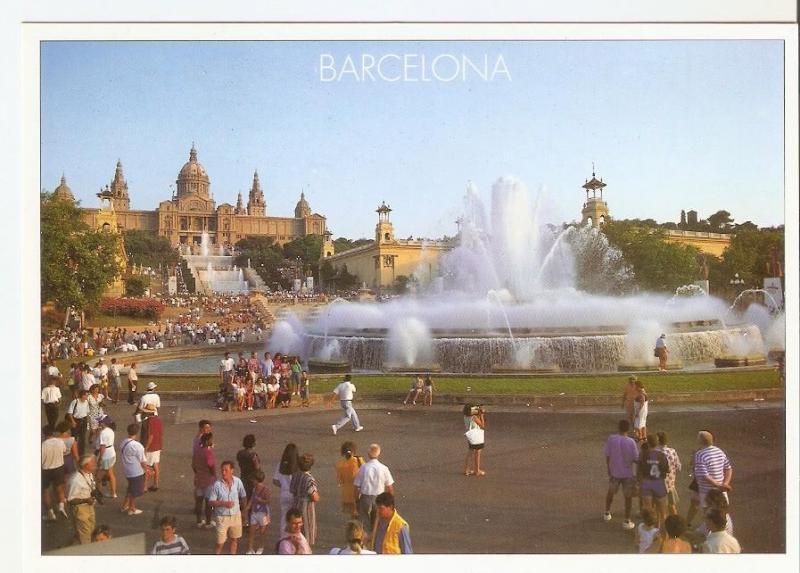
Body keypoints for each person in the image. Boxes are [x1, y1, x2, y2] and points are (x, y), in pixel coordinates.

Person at [603, 419, 640, 530]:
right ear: (628, 429)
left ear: (618, 427)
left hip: (614, 471)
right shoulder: (631, 442)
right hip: (627, 473)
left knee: (611, 492)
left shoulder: (611, 439)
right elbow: (636, 458)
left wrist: (608, 468)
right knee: (628, 497)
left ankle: (607, 512)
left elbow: (607, 455)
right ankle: (627, 519)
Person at [208, 460, 248, 555]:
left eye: (226, 470)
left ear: (232, 470)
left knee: (234, 539)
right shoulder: (217, 485)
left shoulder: (238, 482)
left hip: (235, 516)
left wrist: (244, 512)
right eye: (222, 470)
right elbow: (211, 502)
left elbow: (243, 496)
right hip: (222, 517)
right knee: (220, 543)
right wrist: (224, 503)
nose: (223, 472)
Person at [353, 443, 395, 534]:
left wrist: (357, 501)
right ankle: (374, 539)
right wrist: (390, 502)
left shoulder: (364, 467)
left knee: (364, 522)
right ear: (379, 453)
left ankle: (365, 540)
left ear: (368, 454)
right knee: (377, 522)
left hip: (365, 497)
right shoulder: (384, 468)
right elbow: (390, 488)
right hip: (379, 497)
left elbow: (356, 486)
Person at [693, 431, 733, 513]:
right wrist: (724, 484)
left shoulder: (699, 454)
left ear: (700, 441)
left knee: (708, 516)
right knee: (722, 514)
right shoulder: (719, 451)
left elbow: (705, 476)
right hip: (721, 492)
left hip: (707, 493)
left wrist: (719, 485)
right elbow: (728, 468)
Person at [638, 434, 670, 528]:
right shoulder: (662, 455)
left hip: (646, 483)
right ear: (657, 443)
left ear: (647, 443)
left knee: (648, 511)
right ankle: (661, 532)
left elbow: (639, 470)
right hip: (658, 483)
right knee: (662, 512)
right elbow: (667, 470)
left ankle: (648, 532)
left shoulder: (644, 455)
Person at [65, 454, 98, 544]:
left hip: (89, 506)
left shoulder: (89, 474)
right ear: (86, 465)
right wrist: (85, 500)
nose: (95, 464)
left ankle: (79, 543)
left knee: (91, 529)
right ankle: (86, 551)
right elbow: (70, 500)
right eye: (93, 463)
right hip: (80, 509)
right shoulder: (75, 480)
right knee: (85, 534)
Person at [119, 423, 151, 516]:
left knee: (130, 488)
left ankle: (125, 505)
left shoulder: (123, 442)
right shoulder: (137, 446)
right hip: (136, 471)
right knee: (134, 491)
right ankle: (132, 508)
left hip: (127, 470)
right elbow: (142, 461)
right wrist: (148, 470)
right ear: (137, 432)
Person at [290, 453, 320, 547]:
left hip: (295, 504)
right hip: (306, 507)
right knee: (307, 531)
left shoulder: (295, 475)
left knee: (296, 531)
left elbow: (292, 490)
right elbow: (314, 497)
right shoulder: (309, 479)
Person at [42, 425, 68, 521]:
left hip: (46, 470)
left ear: (44, 434)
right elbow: (65, 451)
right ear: (53, 433)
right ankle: (61, 507)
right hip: (59, 468)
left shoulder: (43, 446)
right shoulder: (60, 442)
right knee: (59, 489)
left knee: (46, 492)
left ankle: (50, 514)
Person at [273, 443, 300, 534]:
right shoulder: (298, 465)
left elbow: (275, 481)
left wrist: (284, 486)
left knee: (284, 517)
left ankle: (283, 537)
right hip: (295, 495)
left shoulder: (280, 464)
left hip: (284, 494)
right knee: (296, 518)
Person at [192, 432, 216, 529]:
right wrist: (213, 474)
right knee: (208, 502)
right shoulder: (208, 452)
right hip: (208, 480)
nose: (212, 441)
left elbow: (193, 465)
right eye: (210, 440)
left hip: (198, 478)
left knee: (198, 501)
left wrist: (198, 472)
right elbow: (211, 465)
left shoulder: (197, 451)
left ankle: (198, 521)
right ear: (207, 441)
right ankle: (208, 522)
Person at [244, 470, 271, 555]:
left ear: (257, 479)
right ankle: (250, 549)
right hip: (254, 512)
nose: (252, 481)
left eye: (253, 479)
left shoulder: (266, 489)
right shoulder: (254, 488)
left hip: (263, 513)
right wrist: (248, 507)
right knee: (251, 531)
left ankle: (260, 547)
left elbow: (268, 501)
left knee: (262, 533)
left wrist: (261, 500)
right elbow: (252, 498)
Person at [335, 441, 364, 518]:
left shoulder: (339, 464)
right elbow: (365, 471)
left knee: (353, 514)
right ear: (354, 450)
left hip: (347, 493)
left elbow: (340, 480)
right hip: (359, 490)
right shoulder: (359, 460)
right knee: (362, 512)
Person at [657, 431, 682, 515]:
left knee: (659, 509)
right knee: (671, 506)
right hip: (670, 483)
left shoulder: (654, 452)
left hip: (657, 484)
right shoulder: (672, 451)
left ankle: (659, 526)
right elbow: (679, 466)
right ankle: (676, 523)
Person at [140, 403, 163, 492]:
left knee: (146, 467)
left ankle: (145, 486)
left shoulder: (147, 422)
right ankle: (155, 483)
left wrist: (146, 448)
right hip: (158, 445)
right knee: (156, 464)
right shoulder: (159, 420)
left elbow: (150, 436)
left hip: (150, 447)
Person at [94, 415, 117, 499]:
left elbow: (102, 447)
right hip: (111, 453)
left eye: (100, 421)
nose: (98, 423)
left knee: (97, 476)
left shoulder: (103, 433)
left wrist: (100, 459)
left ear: (103, 423)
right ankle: (113, 493)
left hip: (105, 455)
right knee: (111, 474)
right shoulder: (110, 430)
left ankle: (98, 493)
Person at [236, 434, 261, 506]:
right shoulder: (253, 455)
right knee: (251, 499)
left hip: (243, 477)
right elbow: (257, 467)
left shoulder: (240, 453)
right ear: (253, 443)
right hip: (252, 479)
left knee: (243, 497)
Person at [463, 404, 487, 476]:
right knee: (477, 453)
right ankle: (477, 470)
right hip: (476, 436)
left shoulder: (465, 416)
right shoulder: (473, 417)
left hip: (470, 435)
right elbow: (482, 425)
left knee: (470, 452)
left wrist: (478, 413)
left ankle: (466, 469)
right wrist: (481, 415)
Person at [66, 389, 90, 456]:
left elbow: (86, 412)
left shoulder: (86, 402)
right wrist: (73, 422)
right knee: (74, 437)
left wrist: (87, 422)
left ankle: (81, 453)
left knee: (83, 437)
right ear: (82, 395)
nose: (87, 397)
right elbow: (70, 413)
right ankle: (73, 451)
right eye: (86, 395)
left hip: (84, 420)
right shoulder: (75, 402)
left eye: (87, 395)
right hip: (76, 420)